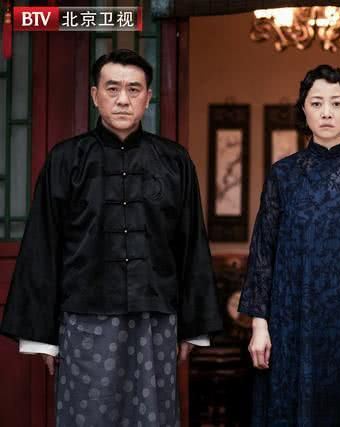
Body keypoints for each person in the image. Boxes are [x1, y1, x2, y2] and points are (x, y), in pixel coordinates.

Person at [0, 49, 222, 426]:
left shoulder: (174, 161)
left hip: (155, 318)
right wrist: (42, 337)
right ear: (94, 95)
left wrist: (193, 325)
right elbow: (43, 243)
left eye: (134, 89)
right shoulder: (66, 159)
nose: (123, 99)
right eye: (112, 88)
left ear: (148, 97)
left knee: (153, 416)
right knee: (87, 415)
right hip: (85, 320)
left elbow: (191, 246)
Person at [238, 64, 340, 426]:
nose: (326, 112)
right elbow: (263, 252)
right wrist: (260, 326)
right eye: (316, 103)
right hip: (291, 320)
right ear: (304, 110)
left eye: (336, 103)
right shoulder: (283, 174)